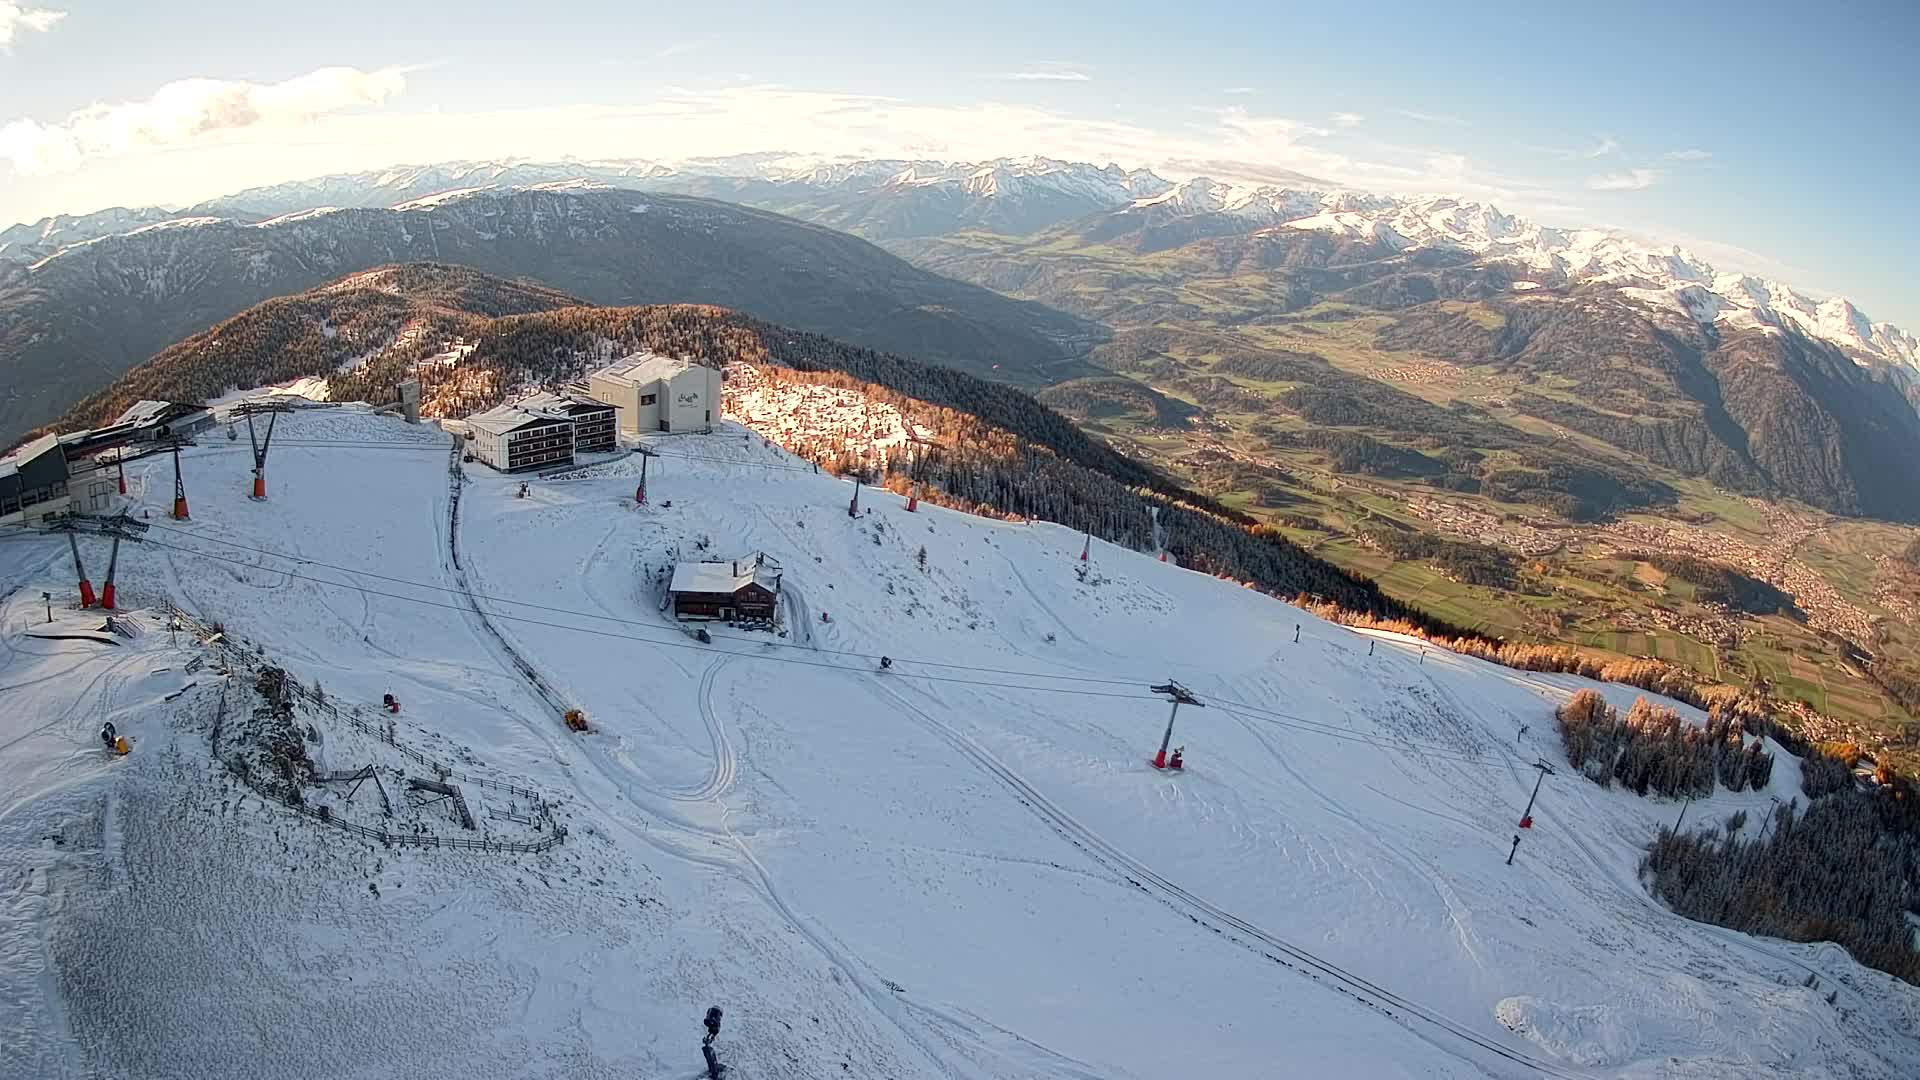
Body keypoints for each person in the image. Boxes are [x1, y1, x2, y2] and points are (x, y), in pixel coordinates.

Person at [702, 1005, 725, 1078]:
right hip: (711, 1028)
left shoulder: (710, 1021)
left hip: (711, 1028)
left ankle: (713, 1068)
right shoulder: (713, 1022)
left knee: (708, 1048)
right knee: (708, 1049)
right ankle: (714, 1071)